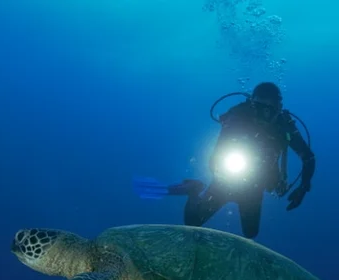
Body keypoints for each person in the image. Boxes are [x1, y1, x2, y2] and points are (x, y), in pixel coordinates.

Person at [134, 82, 316, 239]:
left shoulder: (284, 126)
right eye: (262, 108)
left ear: (279, 107)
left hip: (256, 185)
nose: (266, 115)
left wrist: (303, 187)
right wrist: (219, 167)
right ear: (253, 105)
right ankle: (193, 189)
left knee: (251, 233)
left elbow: (308, 157)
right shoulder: (239, 116)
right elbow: (220, 148)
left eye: (271, 109)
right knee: (192, 222)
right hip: (227, 180)